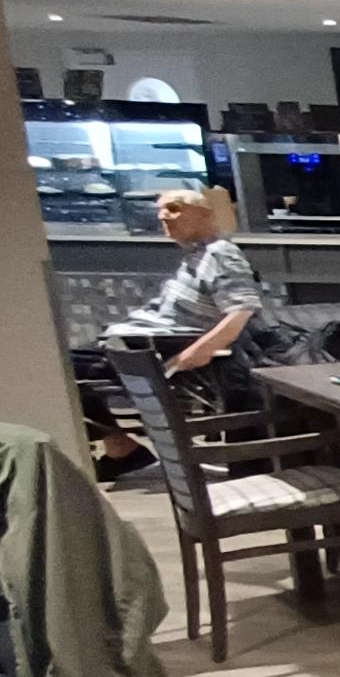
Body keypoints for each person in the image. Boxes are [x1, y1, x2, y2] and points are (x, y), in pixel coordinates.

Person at [83, 187, 271, 475]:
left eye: (174, 208)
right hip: (145, 339)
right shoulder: (196, 256)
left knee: (67, 365)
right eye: (160, 209)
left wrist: (195, 353)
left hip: (171, 346)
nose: (163, 216)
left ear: (205, 214)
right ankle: (121, 447)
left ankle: (123, 449)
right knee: (70, 365)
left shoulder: (220, 253)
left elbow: (241, 310)